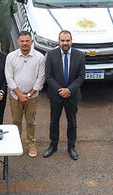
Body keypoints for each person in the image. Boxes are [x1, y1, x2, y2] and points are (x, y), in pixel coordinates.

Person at [44, 30, 85, 161]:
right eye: (62, 40)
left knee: (72, 123)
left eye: (67, 40)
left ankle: (71, 147)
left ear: (71, 41)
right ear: (59, 41)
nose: (65, 43)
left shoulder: (80, 55)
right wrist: (61, 90)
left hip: (72, 96)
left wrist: (69, 90)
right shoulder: (51, 55)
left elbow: (81, 76)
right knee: (53, 122)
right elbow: (49, 77)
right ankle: (53, 146)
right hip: (56, 96)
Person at [4, 31, 45, 157]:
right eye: (22, 41)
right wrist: (19, 94)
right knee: (16, 120)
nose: (25, 43)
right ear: (18, 42)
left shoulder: (40, 57)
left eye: (27, 41)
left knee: (31, 121)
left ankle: (31, 143)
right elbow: (9, 77)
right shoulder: (11, 57)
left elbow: (41, 78)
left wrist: (29, 94)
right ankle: (16, 142)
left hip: (32, 97)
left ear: (32, 42)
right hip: (15, 96)